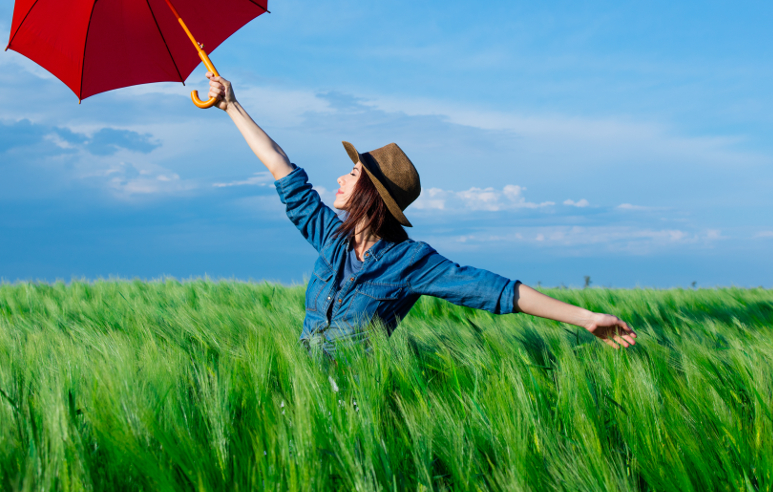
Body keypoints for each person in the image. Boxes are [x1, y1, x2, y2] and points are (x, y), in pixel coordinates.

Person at [206, 74, 637, 355]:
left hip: (356, 403)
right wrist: (232, 106)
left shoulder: (412, 263)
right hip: (301, 392)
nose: (339, 178)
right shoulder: (329, 238)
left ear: (372, 194)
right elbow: (283, 169)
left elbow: (496, 291)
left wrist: (587, 318)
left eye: (352, 172)